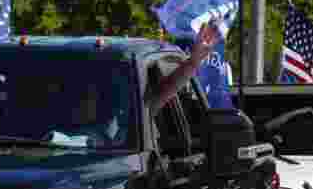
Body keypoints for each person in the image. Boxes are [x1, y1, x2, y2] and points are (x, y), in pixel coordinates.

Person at [45, 22, 219, 147]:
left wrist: (193, 61)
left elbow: (166, 91)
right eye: (79, 93)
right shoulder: (42, 137)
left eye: (88, 93)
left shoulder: (126, 125)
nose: (83, 99)